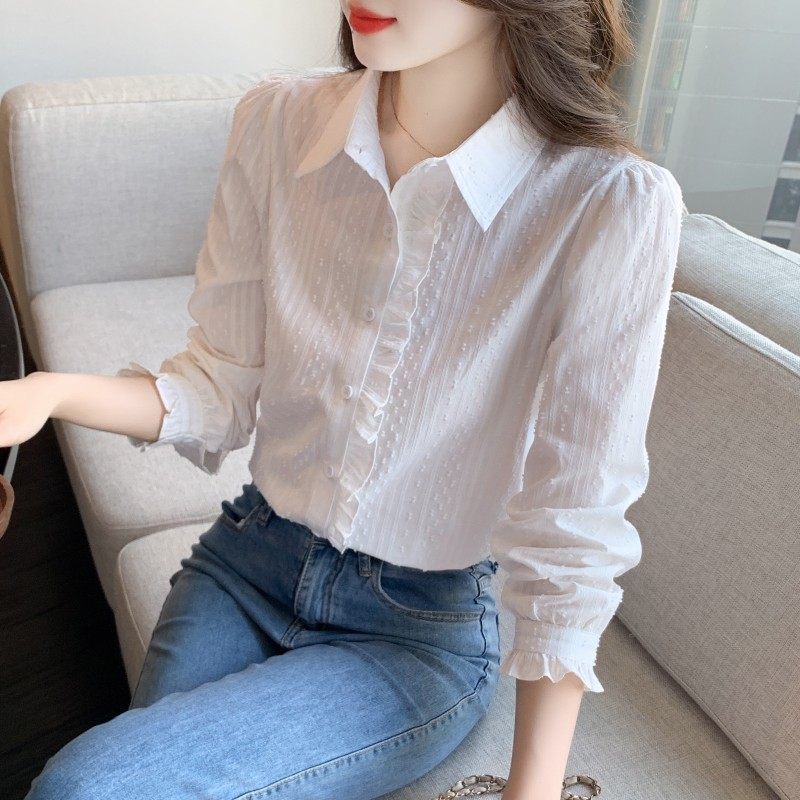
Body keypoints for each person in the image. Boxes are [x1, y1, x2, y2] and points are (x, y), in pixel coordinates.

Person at [7, 1, 685, 798]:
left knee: (85, 786)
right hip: (249, 562)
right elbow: (218, 386)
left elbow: (572, 531)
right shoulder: (278, 122)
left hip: (416, 633)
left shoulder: (609, 203)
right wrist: (46, 391)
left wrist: (529, 791)